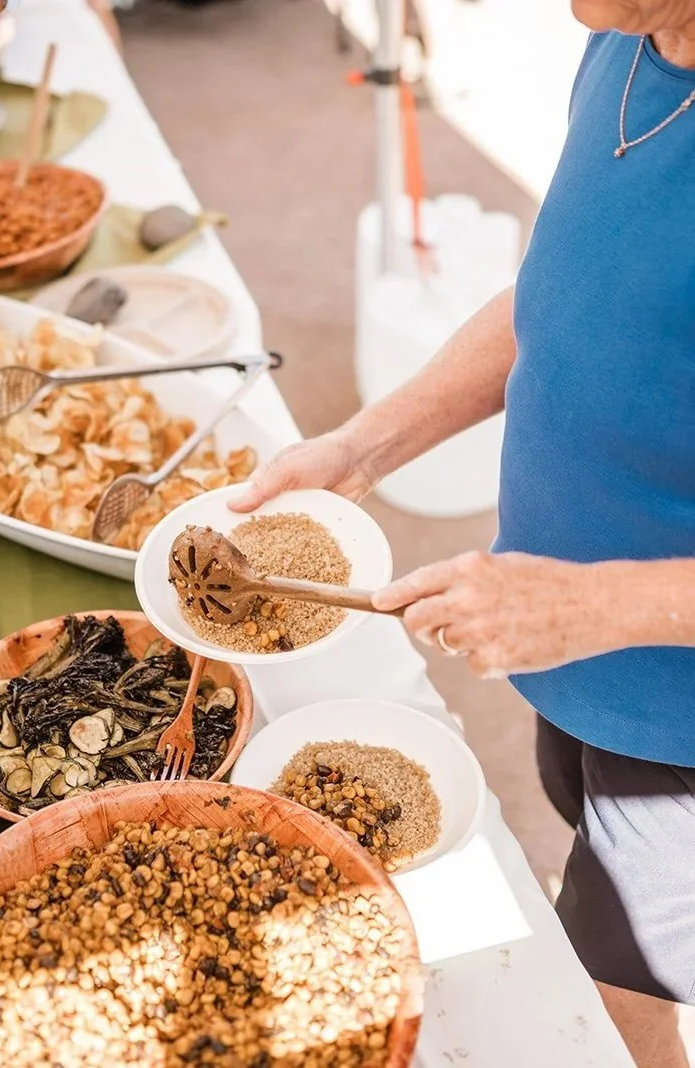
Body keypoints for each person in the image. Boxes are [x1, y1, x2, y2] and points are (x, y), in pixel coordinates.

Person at [233, 4, 695, 1066]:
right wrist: (362, 448)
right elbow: (565, 289)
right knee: (579, 850)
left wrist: (589, 606)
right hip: (575, 664)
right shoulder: (628, 41)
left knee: (604, 1015)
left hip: (679, 722)